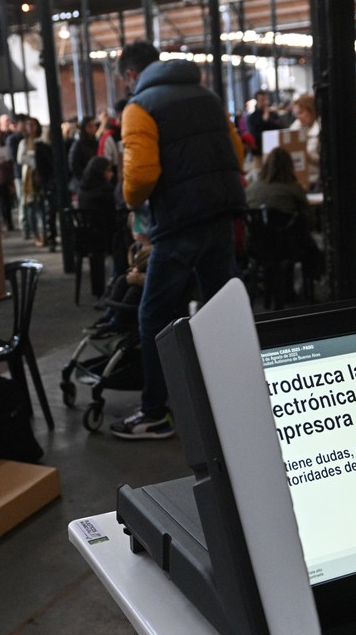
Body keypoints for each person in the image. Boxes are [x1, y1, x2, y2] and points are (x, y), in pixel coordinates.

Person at [113, 40, 246, 440]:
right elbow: (236, 153)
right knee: (222, 308)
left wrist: (131, 200)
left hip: (179, 222)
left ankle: (155, 412)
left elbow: (140, 177)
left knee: (153, 315)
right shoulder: (208, 96)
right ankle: (236, 398)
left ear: (131, 74)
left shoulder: (140, 107)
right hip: (221, 215)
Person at [245, 147, 323, 281]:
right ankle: (314, 281)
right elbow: (309, 221)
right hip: (289, 247)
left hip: (258, 247)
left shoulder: (251, 190)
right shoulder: (294, 189)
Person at [75, 156, 117, 299]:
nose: (111, 174)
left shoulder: (83, 189)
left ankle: (99, 292)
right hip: (103, 237)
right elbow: (112, 216)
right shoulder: (106, 191)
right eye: (108, 170)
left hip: (84, 237)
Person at [290, 93, 321, 189]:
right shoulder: (294, 128)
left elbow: (327, 160)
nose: (298, 117)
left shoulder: (320, 130)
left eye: (301, 112)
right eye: (296, 114)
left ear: (311, 111)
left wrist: (309, 156)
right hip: (297, 181)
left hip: (316, 181)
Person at [246, 90, 282, 156]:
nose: (265, 102)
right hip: (259, 150)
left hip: (275, 148)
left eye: (266, 99)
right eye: (262, 100)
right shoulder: (252, 117)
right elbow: (254, 133)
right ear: (257, 101)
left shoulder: (273, 114)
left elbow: (280, 128)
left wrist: (267, 120)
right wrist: (264, 121)